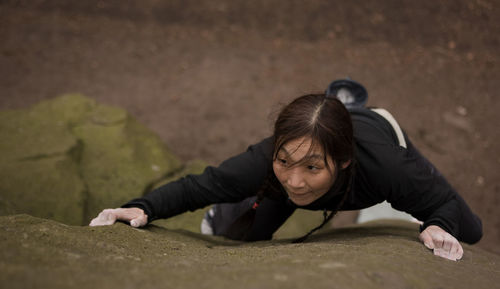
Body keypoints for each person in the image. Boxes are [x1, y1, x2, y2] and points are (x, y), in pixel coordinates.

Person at [90, 79, 482, 261]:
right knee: (243, 236)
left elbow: (452, 210)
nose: (295, 181)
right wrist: (142, 207)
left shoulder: (387, 166)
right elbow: (201, 186)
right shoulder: (268, 164)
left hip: (377, 129)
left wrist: (437, 224)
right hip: (313, 154)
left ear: (343, 161)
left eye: (312, 167)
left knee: (472, 231)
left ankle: (347, 103)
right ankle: (335, 102)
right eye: (283, 161)